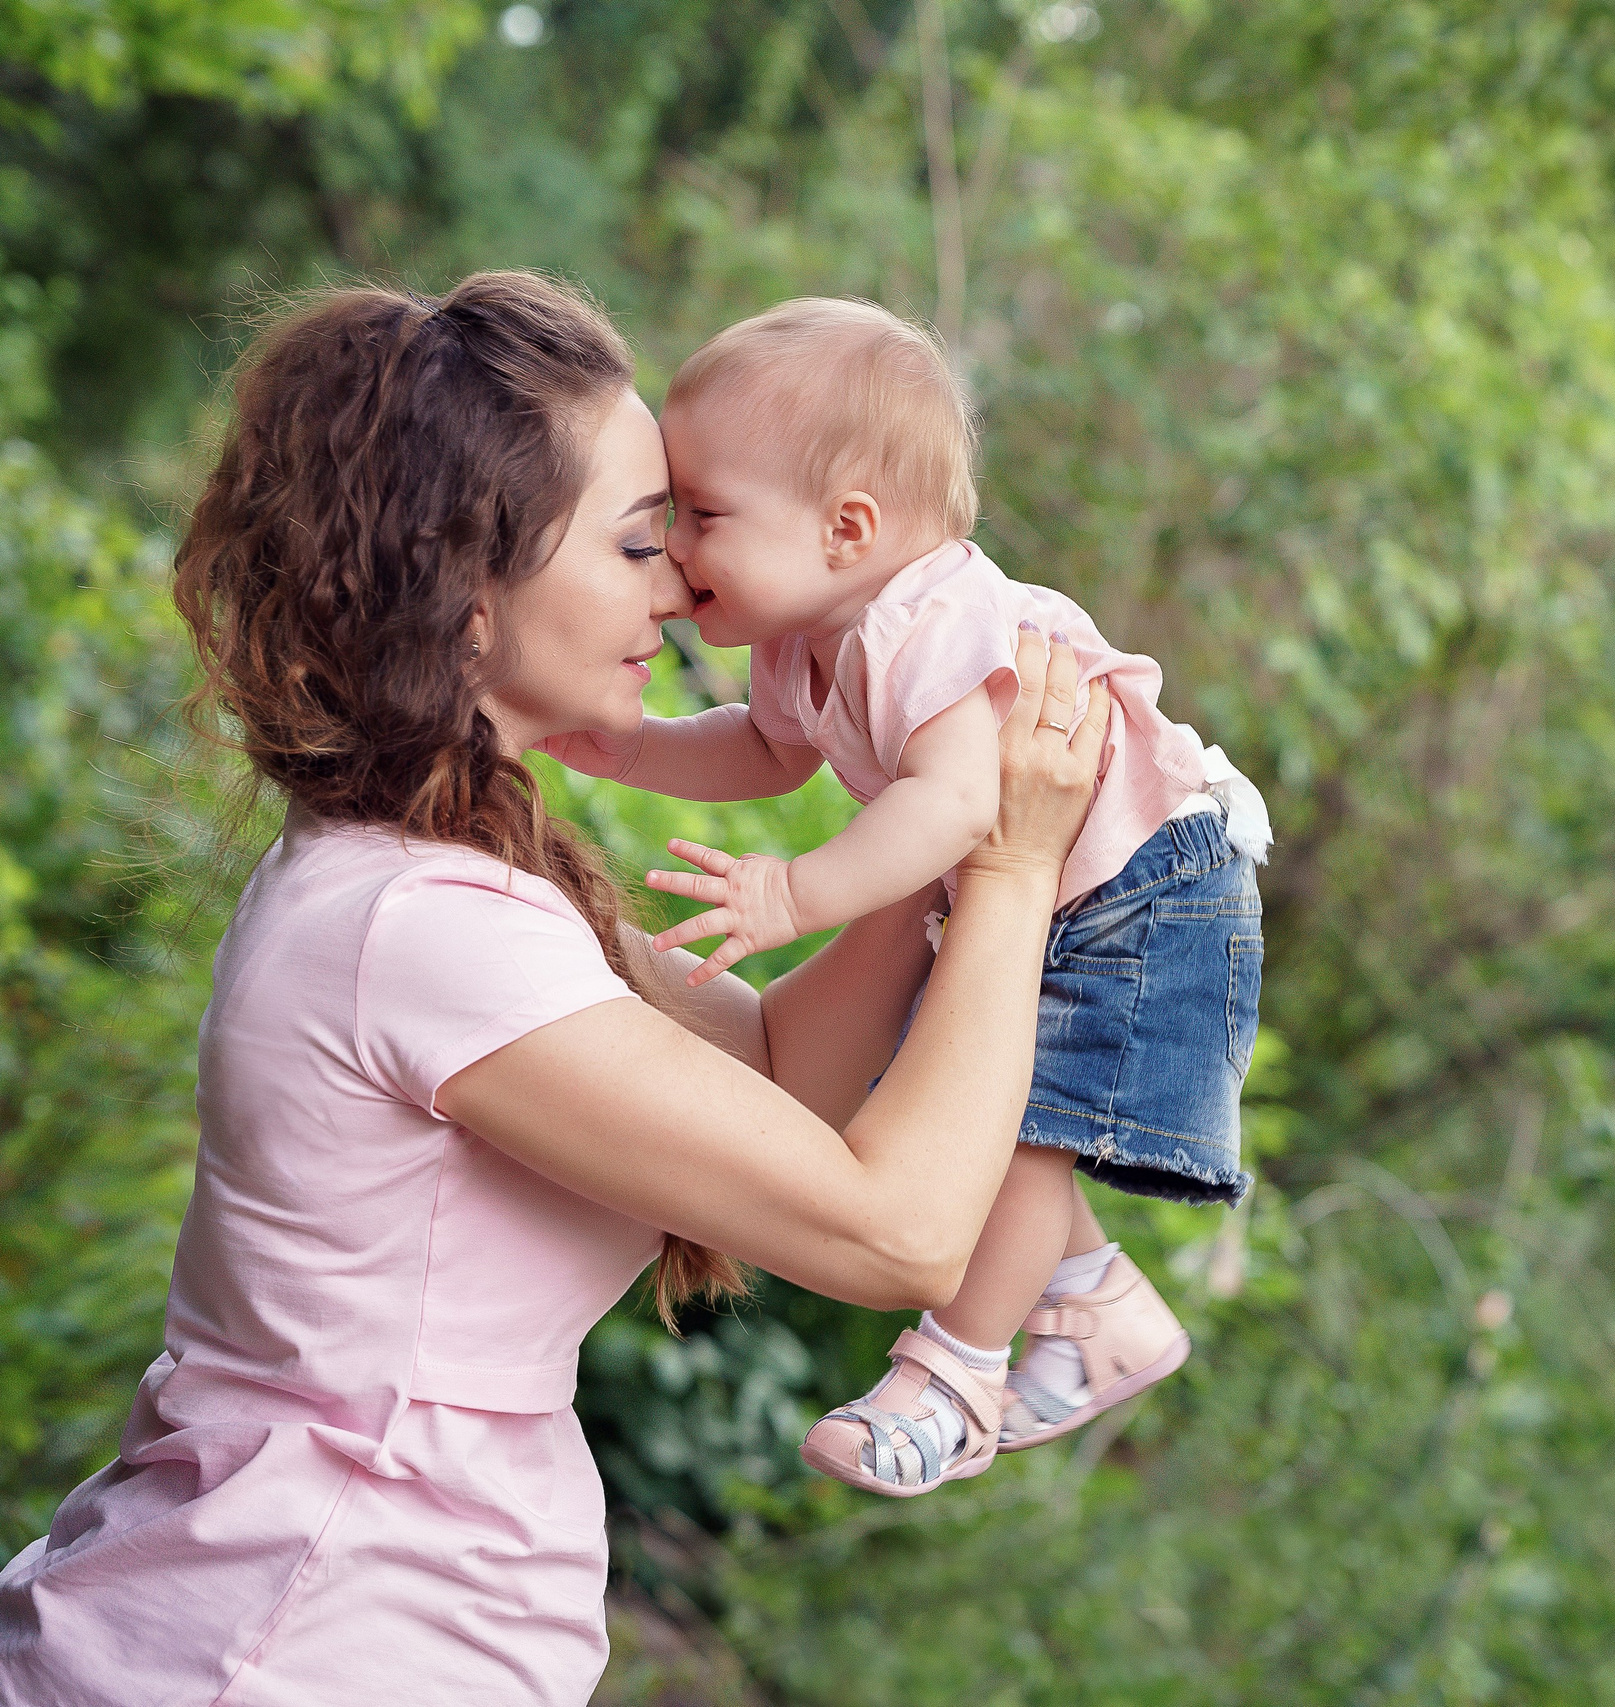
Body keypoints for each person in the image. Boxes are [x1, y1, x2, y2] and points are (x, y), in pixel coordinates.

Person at [0, 272, 1105, 1705]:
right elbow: (895, 1232)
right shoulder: (418, 925)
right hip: (274, 1647)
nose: (686, 588)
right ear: (467, 589)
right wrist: (1010, 873)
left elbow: (778, 1079)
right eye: (644, 540)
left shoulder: (466, 881)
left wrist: (924, 803)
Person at [540, 297, 1270, 1497]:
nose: (675, 554)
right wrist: (634, 748)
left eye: (703, 517)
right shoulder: (805, 634)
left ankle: (955, 1376)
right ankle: (1100, 1307)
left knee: (1026, 1127)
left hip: (1151, 883)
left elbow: (952, 807)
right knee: (946, 1090)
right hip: (1070, 882)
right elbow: (766, 752)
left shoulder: (929, 619)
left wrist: (795, 894)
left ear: (848, 527)